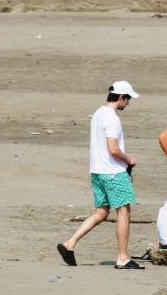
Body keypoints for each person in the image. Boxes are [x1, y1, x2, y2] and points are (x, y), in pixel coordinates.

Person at [57, 81, 144, 269]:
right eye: (127, 98)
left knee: (102, 212)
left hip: (97, 171)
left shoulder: (98, 113)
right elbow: (113, 149)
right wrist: (128, 159)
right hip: (113, 172)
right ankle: (122, 258)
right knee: (124, 212)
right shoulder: (112, 118)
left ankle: (69, 244)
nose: (128, 103)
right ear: (120, 97)